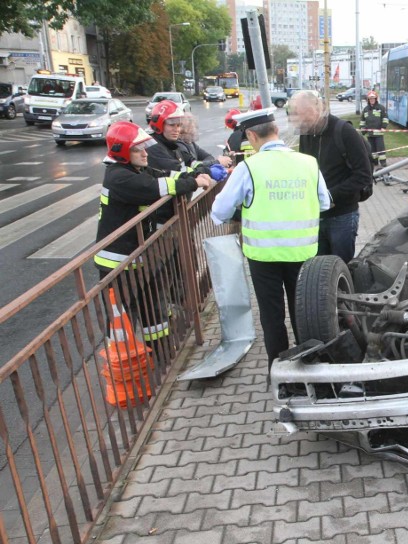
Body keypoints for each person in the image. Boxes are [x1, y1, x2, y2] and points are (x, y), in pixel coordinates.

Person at [211, 108, 331, 369]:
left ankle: (279, 370)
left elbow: (219, 211)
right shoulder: (308, 162)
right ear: (276, 131)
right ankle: (309, 366)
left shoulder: (249, 167)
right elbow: (324, 202)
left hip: (263, 256)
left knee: (272, 315)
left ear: (252, 136)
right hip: (302, 253)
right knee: (303, 311)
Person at [95, 122, 214, 350]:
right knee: (122, 320)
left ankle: (160, 355)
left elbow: (168, 175)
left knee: (153, 310)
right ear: (122, 152)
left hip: (138, 256)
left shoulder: (134, 168)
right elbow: (156, 187)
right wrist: (194, 182)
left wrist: (198, 172)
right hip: (117, 263)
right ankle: (126, 369)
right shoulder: (119, 176)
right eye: (137, 149)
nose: (144, 153)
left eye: (144, 147)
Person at [289, 90, 372, 264]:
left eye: (305, 119)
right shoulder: (307, 133)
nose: (302, 126)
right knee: (317, 269)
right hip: (315, 216)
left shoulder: (345, 132)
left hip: (342, 216)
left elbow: (363, 176)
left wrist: (330, 195)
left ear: (316, 110)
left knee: (340, 268)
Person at [360, 90, 388, 169]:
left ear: (376, 99)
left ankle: (383, 162)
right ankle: (374, 161)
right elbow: (362, 121)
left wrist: (383, 127)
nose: (372, 100)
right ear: (368, 100)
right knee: (372, 149)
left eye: (373, 99)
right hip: (370, 134)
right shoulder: (365, 109)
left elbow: (385, 118)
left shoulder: (381, 108)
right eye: (370, 99)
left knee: (380, 148)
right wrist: (362, 129)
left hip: (378, 133)